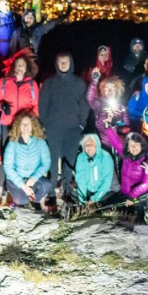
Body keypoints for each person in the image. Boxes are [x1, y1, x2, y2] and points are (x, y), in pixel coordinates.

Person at [38, 52, 90, 200]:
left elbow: (84, 105)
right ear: (56, 64)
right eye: (60, 62)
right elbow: (43, 104)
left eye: (66, 61)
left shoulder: (79, 83)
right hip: (53, 128)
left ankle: (66, 190)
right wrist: (45, 124)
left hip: (73, 128)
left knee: (69, 160)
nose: (63, 64)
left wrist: (81, 124)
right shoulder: (49, 82)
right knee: (53, 160)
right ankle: (51, 191)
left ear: (70, 63)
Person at [3, 111, 53, 207]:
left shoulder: (41, 142)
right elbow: (8, 167)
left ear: (33, 126)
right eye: (23, 124)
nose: (25, 127)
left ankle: (35, 200)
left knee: (46, 185)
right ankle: (16, 195)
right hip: (16, 180)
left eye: (28, 124)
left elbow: (46, 163)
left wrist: (34, 178)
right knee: (22, 201)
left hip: (32, 178)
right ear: (18, 126)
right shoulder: (12, 143)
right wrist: (22, 185)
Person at [101, 126, 148, 206]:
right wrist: (108, 127)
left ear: (141, 145)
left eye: (136, 144)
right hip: (124, 192)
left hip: (137, 197)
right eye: (131, 145)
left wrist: (132, 196)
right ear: (128, 147)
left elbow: (146, 184)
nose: (134, 147)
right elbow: (116, 142)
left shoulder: (145, 162)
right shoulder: (126, 156)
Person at [72, 132, 115, 204]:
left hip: (106, 190)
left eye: (91, 144)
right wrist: (82, 200)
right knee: (74, 194)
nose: (89, 147)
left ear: (97, 145)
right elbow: (80, 179)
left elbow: (106, 182)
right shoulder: (81, 157)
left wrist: (94, 199)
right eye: (86, 145)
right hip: (90, 190)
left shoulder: (105, 157)